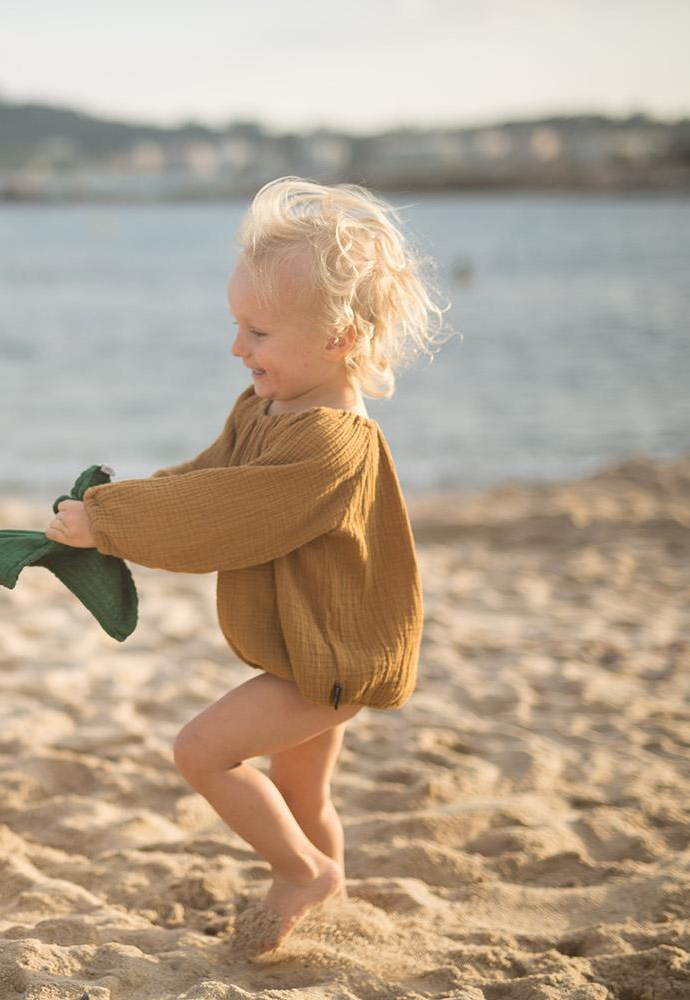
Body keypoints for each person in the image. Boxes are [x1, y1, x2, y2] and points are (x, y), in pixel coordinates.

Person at [46, 177, 447, 955]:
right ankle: (330, 907)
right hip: (306, 650)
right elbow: (208, 479)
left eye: (257, 331)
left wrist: (112, 526)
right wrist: (115, 505)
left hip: (332, 659)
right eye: (237, 326)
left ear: (338, 338)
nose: (238, 348)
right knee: (302, 790)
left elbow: (226, 519)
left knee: (202, 751)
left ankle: (302, 874)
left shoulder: (330, 445)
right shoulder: (264, 407)